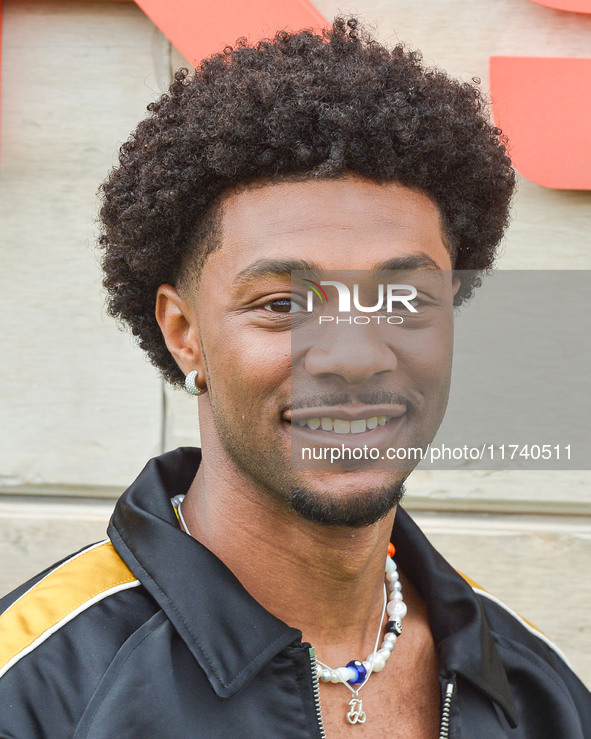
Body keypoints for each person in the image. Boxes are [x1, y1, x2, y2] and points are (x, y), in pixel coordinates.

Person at [0, 15, 589, 738]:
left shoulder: (539, 692)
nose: (354, 355)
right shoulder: (37, 685)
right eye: (282, 304)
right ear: (185, 334)